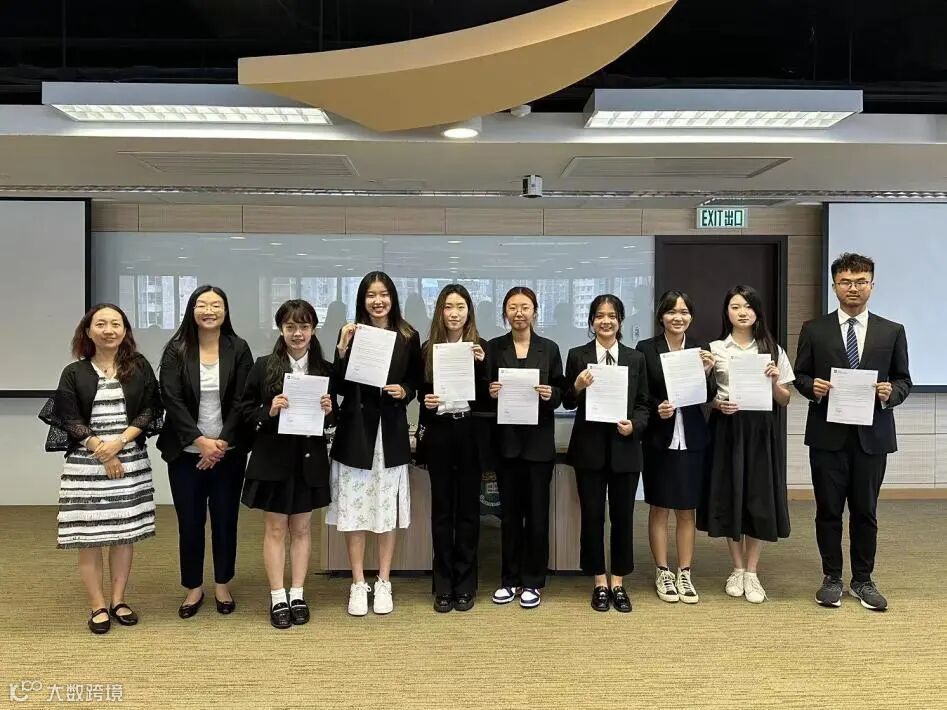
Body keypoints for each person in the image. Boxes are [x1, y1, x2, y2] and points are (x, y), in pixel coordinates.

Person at [794, 253, 911, 611]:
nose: (853, 288)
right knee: (828, 511)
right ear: (834, 286)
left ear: (872, 285)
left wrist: (891, 393)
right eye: (846, 282)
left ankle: (863, 579)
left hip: (872, 438)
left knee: (865, 512)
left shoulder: (892, 331)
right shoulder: (814, 329)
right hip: (827, 436)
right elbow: (800, 375)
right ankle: (831, 577)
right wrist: (811, 387)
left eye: (861, 281)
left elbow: (904, 380)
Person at [40, 304, 162, 634]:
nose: (109, 330)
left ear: (125, 331)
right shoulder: (74, 372)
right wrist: (103, 452)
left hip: (130, 462)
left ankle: (119, 600)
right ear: (88, 331)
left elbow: (151, 409)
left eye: (116, 324)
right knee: (89, 537)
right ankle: (97, 605)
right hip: (86, 466)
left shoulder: (139, 367)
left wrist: (118, 444)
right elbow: (68, 417)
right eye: (101, 324)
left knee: (123, 535)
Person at [327, 271, 422, 616]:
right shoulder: (351, 334)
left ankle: (383, 581)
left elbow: (416, 381)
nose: (378, 301)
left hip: (390, 432)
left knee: (386, 509)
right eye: (371, 295)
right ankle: (357, 583)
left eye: (383, 294)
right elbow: (336, 387)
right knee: (354, 509)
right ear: (362, 300)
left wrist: (405, 391)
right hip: (356, 432)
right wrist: (341, 349)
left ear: (392, 298)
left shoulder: (408, 336)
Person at [157, 285, 253, 619]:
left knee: (226, 520)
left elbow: (244, 399)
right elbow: (171, 398)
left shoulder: (238, 348)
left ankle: (223, 584)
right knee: (190, 521)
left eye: (216, 305)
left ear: (225, 311)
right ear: (192, 310)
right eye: (202, 304)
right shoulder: (177, 349)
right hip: (185, 453)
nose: (209, 310)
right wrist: (200, 441)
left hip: (228, 453)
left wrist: (221, 442)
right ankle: (193, 587)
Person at [239, 300, 334, 628]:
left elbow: (335, 419)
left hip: (309, 459)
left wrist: (329, 410)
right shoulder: (264, 366)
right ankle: (278, 595)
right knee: (276, 528)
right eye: (291, 327)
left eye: (304, 327)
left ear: (313, 330)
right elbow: (245, 410)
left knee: (303, 528)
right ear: (281, 329)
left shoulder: (325, 369)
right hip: (273, 458)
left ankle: (298, 593)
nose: (298, 333)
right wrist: (269, 410)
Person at [698, 285, 794, 604]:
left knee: (758, 497)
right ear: (727, 312)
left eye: (748, 306)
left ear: (757, 312)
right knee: (730, 494)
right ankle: (737, 568)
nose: (742, 312)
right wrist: (716, 403)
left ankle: (752, 571)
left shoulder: (773, 349)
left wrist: (774, 381)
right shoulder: (714, 349)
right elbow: (702, 396)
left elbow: (785, 399)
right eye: (736, 306)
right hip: (727, 427)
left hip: (760, 430)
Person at [563, 294, 649, 613]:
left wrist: (635, 426)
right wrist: (577, 386)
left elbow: (644, 404)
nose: (606, 321)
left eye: (612, 315)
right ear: (591, 321)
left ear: (620, 321)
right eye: (599, 315)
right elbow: (567, 401)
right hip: (589, 449)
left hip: (625, 448)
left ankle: (618, 582)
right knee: (593, 516)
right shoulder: (578, 356)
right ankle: (599, 581)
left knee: (623, 518)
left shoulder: (635, 358)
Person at [636, 290, 716, 605]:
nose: (678, 317)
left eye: (684, 312)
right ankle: (662, 570)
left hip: (692, 436)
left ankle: (685, 571)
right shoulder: (646, 349)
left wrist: (707, 372)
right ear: (661, 316)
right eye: (671, 312)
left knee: (687, 508)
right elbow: (641, 394)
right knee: (659, 506)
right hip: (660, 437)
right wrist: (658, 407)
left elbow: (710, 394)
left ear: (690, 317)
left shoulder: (700, 349)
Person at [487, 286, 564, 609]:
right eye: (513, 307)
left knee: (536, 516)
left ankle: (533, 581)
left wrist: (551, 394)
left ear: (535, 311)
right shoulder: (494, 348)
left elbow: (561, 392)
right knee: (509, 517)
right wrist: (490, 392)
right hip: (507, 444)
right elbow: (482, 393)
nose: (519, 313)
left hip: (538, 445)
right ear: (505, 313)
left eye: (525, 307)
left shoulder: (549, 348)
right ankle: (509, 579)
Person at [416, 284, 492, 613]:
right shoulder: (427, 349)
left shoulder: (481, 348)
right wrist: (428, 401)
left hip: (469, 432)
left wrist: (482, 366)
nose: (454, 313)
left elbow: (490, 398)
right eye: (449, 307)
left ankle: (466, 584)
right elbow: (421, 394)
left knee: (469, 512)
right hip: (440, 433)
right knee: (442, 511)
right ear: (440, 312)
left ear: (468, 312)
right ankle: (443, 585)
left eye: (460, 307)